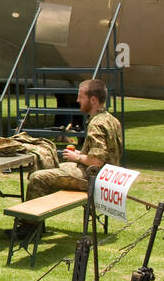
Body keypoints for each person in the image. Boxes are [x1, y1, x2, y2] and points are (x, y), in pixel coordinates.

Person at [20, 78, 123, 212]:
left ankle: (28, 224)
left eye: (81, 97)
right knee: (46, 166)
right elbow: (109, 152)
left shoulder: (96, 124)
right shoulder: (111, 119)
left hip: (94, 177)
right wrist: (83, 154)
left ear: (93, 100)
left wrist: (77, 157)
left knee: (37, 177)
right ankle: (37, 217)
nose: (77, 100)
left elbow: (97, 161)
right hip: (109, 175)